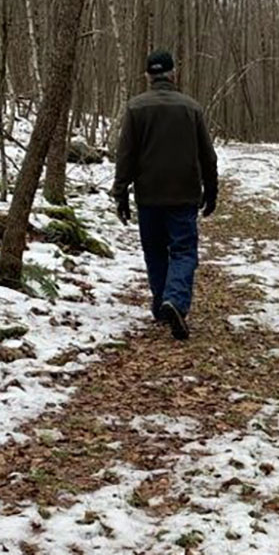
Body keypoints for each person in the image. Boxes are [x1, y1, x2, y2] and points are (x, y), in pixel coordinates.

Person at [111, 49, 218, 340]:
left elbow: (126, 156)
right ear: (173, 74)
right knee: (183, 251)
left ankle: (163, 304)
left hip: (148, 195)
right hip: (183, 195)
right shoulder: (191, 107)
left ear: (148, 76)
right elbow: (208, 156)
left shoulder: (135, 108)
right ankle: (175, 301)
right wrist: (212, 189)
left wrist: (120, 193)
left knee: (155, 251)